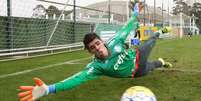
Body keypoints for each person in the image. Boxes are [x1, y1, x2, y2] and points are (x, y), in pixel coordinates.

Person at [18, 2, 172, 101]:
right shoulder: (96, 67)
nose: (97, 48)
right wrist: (48, 89)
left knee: (149, 41)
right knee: (153, 66)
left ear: (102, 42)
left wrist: (135, 14)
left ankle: (158, 33)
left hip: (138, 55)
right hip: (135, 73)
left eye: (97, 43)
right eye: (93, 48)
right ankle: (162, 62)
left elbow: (127, 26)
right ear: (90, 52)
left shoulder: (115, 41)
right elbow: (76, 79)